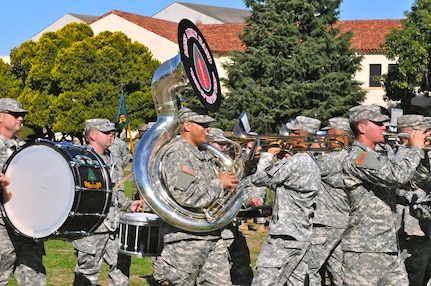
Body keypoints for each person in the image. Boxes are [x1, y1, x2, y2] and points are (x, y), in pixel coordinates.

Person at [340, 105, 430, 285]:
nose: (385, 127)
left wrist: (423, 153)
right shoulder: (359, 157)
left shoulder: (379, 157)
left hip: (388, 247)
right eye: (379, 123)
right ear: (362, 127)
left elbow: (414, 182)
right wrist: (415, 150)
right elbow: (397, 176)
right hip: (363, 251)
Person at [157, 105, 240, 285]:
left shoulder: (204, 152)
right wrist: (220, 183)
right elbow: (185, 195)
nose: (207, 128)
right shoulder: (179, 153)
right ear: (187, 125)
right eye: (202, 124)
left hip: (211, 234)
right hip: (185, 241)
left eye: (208, 124)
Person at [250, 115, 322, 286]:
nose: (286, 137)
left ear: (298, 136)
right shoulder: (311, 161)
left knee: (263, 281)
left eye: (291, 133)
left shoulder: (296, 162)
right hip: (301, 235)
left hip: (284, 236)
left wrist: (268, 156)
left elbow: (259, 179)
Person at [72, 118, 143, 286]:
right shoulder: (82, 160)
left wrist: (128, 204)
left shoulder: (112, 158)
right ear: (93, 135)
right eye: (106, 132)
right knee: (88, 273)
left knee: (121, 270)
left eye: (113, 132)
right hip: (92, 226)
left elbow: (116, 192)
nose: (112, 135)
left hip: (114, 225)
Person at [0, 98, 47, 285]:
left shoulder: (26, 148)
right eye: (15, 114)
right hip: (2, 227)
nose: (21, 118)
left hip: (27, 225)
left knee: (34, 279)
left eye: (22, 115)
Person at [302, 117, 351, 286]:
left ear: (336, 134)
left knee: (309, 269)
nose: (324, 136)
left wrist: (308, 148)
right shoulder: (356, 156)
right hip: (342, 221)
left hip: (326, 223)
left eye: (328, 132)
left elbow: (305, 168)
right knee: (339, 273)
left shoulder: (333, 159)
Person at [394, 114, 431, 286]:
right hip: (412, 225)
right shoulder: (404, 155)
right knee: (412, 276)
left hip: (422, 225)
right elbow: (399, 183)